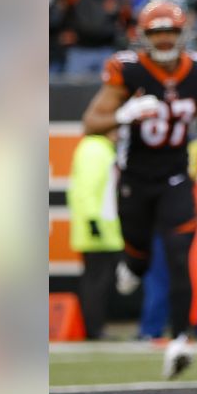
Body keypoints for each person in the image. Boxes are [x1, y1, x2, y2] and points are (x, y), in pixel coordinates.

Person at [81, 0, 197, 378]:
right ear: (144, 35)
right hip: (135, 180)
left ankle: (180, 341)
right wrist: (123, 114)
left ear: (182, 33)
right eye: (156, 31)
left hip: (175, 177)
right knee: (139, 258)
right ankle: (133, 265)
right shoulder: (128, 70)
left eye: (169, 31)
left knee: (180, 257)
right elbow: (91, 122)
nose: (163, 38)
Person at [67, 131, 124, 340]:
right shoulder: (94, 150)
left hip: (103, 228)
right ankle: (94, 328)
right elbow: (87, 189)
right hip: (97, 229)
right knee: (96, 281)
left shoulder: (98, 149)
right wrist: (93, 221)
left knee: (99, 280)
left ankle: (95, 326)